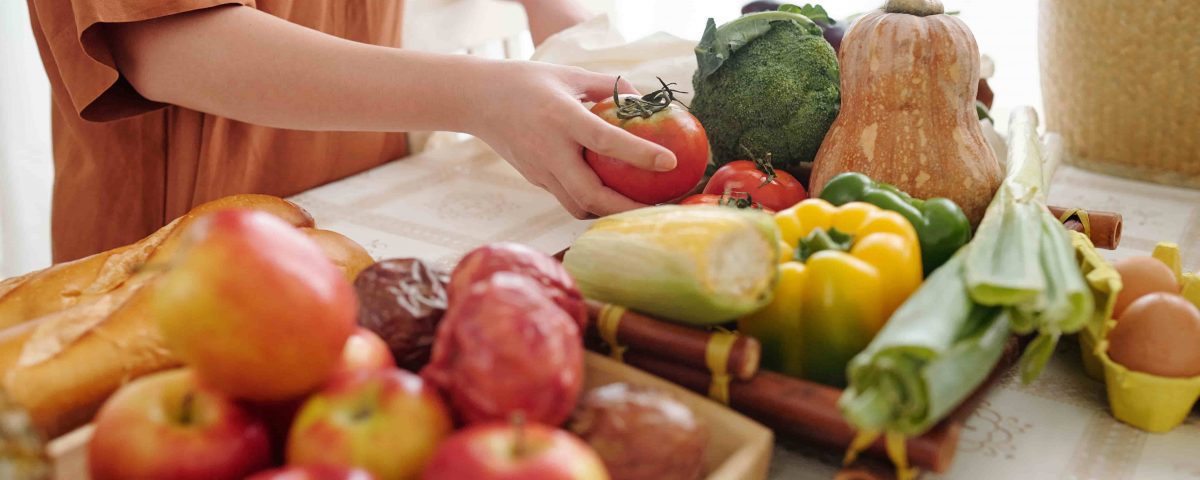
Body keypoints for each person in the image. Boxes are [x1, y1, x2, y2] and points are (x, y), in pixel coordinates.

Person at [26, 0, 677, 262]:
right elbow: (160, 44)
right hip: (186, 243)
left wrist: (572, 35)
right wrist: (477, 98)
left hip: (370, 207)